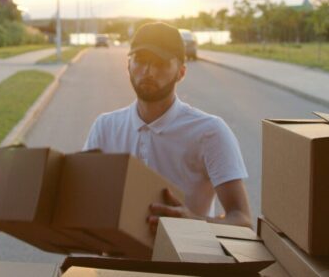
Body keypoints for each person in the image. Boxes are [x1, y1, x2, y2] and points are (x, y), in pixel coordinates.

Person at [83, 22, 252, 232]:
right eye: (141, 61)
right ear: (128, 66)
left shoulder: (210, 132)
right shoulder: (105, 127)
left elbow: (243, 220)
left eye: (160, 63)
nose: (148, 71)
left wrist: (194, 223)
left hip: (184, 262)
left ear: (181, 72)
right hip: (117, 261)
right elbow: (85, 199)